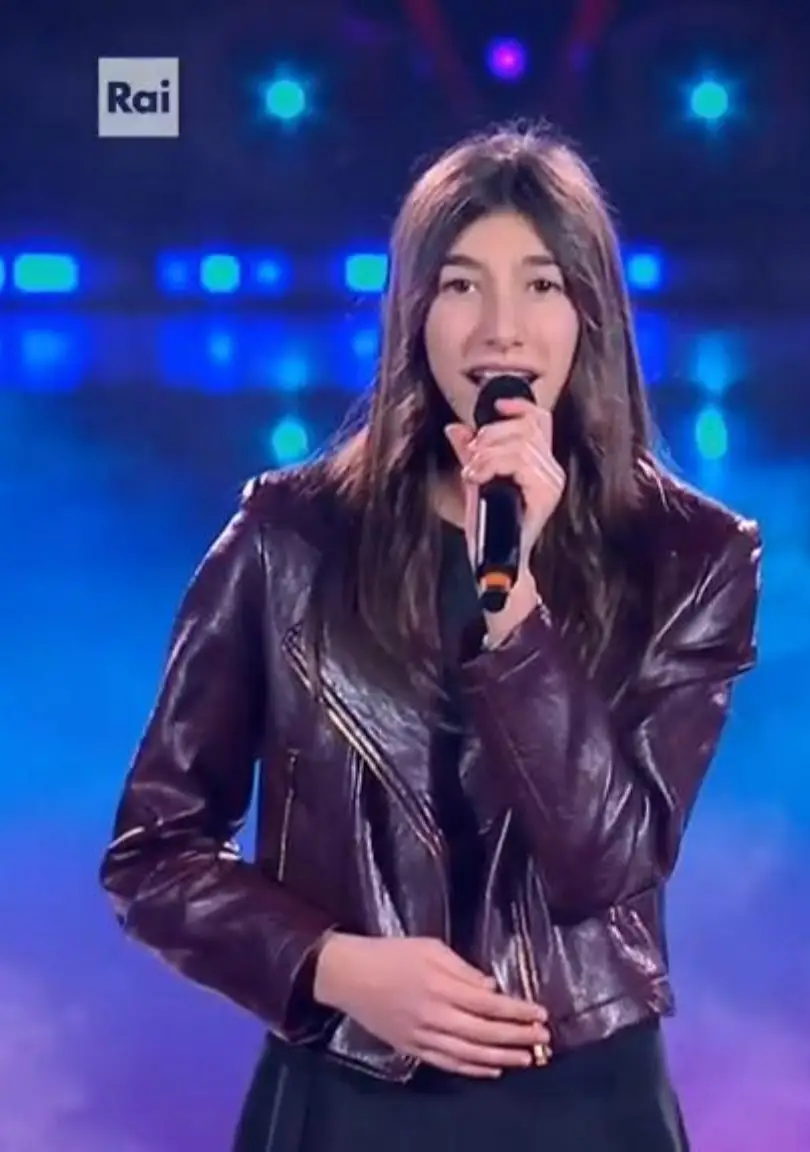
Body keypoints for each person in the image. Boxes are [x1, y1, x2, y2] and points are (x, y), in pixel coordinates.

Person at [99, 125, 761, 1152]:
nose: (501, 329)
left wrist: (515, 608)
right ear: (415, 311)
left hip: (583, 1104)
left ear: (590, 313)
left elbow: (608, 867)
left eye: (540, 286)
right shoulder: (290, 539)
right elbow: (155, 852)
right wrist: (333, 964)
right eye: (461, 286)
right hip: (348, 1094)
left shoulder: (690, 558)